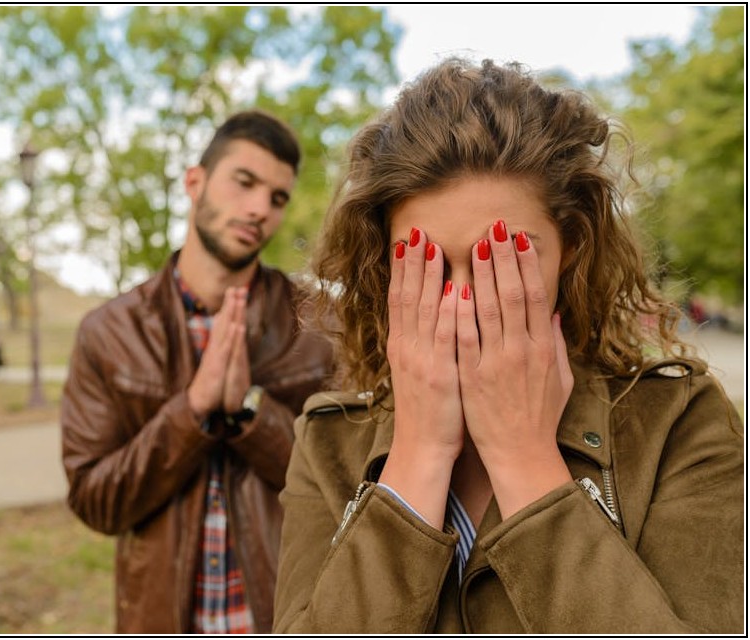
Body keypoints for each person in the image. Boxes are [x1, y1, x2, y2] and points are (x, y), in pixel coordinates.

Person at [273, 59, 743, 634]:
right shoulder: (327, 443)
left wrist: (525, 460)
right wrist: (418, 455)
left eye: (500, 261)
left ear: (571, 250)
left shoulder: (677, 424)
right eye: (426, 266)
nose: (464, 304)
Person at [61, 109, 334, 634]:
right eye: (244, 182)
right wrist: (191, 410)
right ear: (195, 182)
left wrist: (250, 408)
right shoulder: (108, 332)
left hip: (286, 620)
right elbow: (97, 504)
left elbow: (345, 490)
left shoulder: (320, 326)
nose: (259, 208)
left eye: (277, 198)